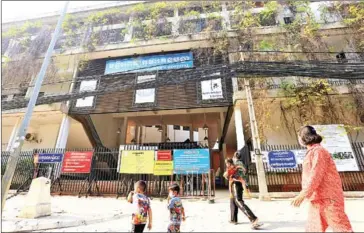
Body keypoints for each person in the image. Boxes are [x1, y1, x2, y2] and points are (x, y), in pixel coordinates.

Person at [291, 126, 353, 232]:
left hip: (328, 198)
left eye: (299, 136)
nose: (299, 140)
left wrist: (303, 194)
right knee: (313, 229)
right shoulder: (312, 151)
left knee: (342, 228)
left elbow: (316, 175)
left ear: (305, 137)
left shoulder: (319, 151)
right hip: (316, 199)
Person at [225, 158, 263, 229]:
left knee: (239, 202)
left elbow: (238, 177)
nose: (226, 165)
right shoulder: (235, 167)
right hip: (234, 186)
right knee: (232, 202)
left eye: (226, 163)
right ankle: (233, 219)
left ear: (229, 163)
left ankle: (253, 218)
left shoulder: (235, 168)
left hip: (236, 186)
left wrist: (230, 176)